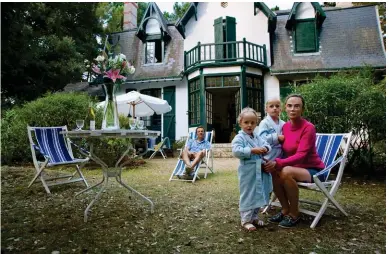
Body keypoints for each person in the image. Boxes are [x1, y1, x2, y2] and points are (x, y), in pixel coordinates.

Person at [263, 94, 325, 228]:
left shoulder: (308, 128)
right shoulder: (285, 127)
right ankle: (285, 209)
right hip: (293, 168)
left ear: (302, 109)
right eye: (290, 106)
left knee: (285, 170)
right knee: (272, 170)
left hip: (313, 170)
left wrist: (278, 162)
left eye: (297, 106)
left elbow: (302, 155)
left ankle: (295, 213)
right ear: (285, 108)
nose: (293, 109)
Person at [232, 107, 272, 232]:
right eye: (246, 122)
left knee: (258, 193)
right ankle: (245, 220)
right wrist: (251, 150)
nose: (249, 125)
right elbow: (236, 151)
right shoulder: (240, 138)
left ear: (256, 123)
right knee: (248, 194)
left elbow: (267, 145)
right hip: (248, 171)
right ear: (240, 123)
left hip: (259, 170)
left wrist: (265, 148)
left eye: (253, 123)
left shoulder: (256, 137)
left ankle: (254, 217)